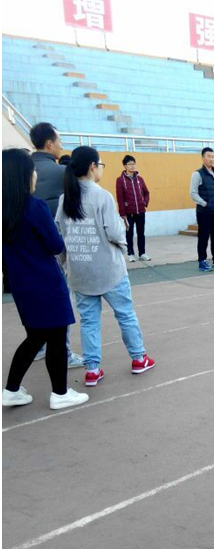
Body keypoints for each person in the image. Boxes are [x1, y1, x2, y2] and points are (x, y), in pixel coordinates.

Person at [55, 146, 156, 386]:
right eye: (100, 164)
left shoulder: (64, 198)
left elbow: (60, 236)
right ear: (92, 166)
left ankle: (92, 370)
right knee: (125, 314)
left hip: (80, 272)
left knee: (89, 321)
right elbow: (115, 232)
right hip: (109, 269)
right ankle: (138, 358)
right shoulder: (102, 196)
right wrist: (122, 244)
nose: (101, 169)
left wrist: (65, 263)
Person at [2, 149, 89, 410]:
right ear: (23, 175)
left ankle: (11, 390)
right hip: (46, 282)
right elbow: (55, 245)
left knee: (35, 337)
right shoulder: (34, 206)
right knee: (55, 337)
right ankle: (60, 394)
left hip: (21, 284)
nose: (35, 174)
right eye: (32, 170)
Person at [30, 121, 84, 369]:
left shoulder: (22, 169)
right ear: (50, 143)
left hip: (24, 250)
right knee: (61, 300)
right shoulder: (61, 173)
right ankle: (64, 352)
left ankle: (39, 346)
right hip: (54, 246)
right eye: (59, 141)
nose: (61, 146)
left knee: (36, 299)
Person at [190, 147, 214, 272]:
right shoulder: (197, 174)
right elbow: (193, 193)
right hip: (204, 212)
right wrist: (204, 204)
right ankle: (202, 261)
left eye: (213, 156)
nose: (211, 159)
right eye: (209, 156)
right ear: (203, 158)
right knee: (203, 237)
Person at [116, 155, 151, 263]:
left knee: (141, 233)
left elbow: (146, 193)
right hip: (128, 213)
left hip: (140, 211)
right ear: (125, 166)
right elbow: (120, 198)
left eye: (133, 164)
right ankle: (130, 254)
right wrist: (122, 213)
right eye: (130, 164)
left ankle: (142, 253)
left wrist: (144, 203)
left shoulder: (140, 179)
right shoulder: (120, 180)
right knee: (129, 234)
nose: (132, 166)